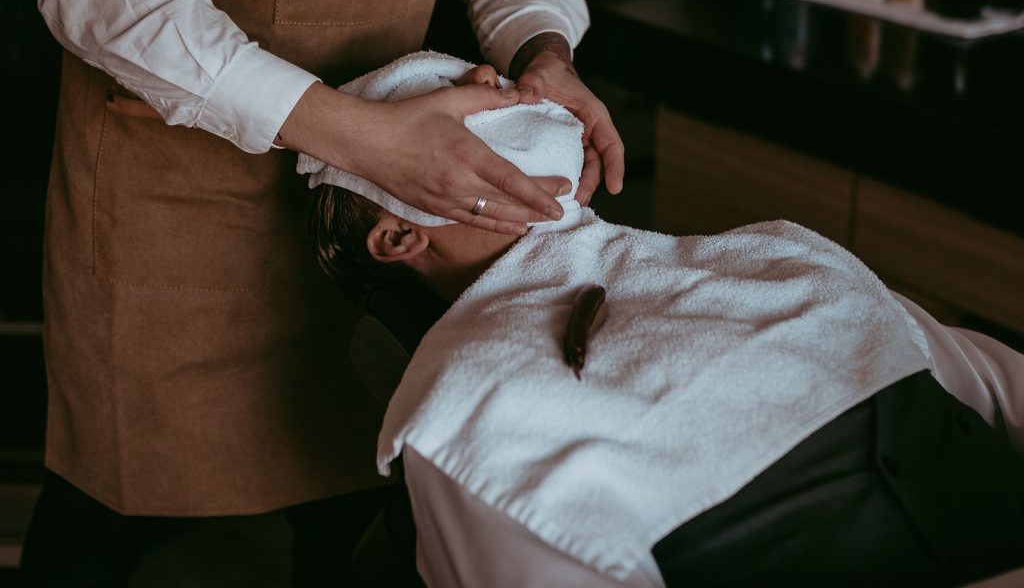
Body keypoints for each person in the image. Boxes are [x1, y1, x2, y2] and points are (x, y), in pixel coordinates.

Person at [21, 0, 624, 586]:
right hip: (171, 191)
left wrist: (544, 50)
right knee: (103, 503)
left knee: (348, 501)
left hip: (384, 190)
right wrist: (362, 140)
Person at [306, 52, 1024, 587]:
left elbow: (1003, 391)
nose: (492, 73)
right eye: (446, 93)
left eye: (479, 73)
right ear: (400, 237)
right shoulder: (470, 418)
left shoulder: (776, 252)